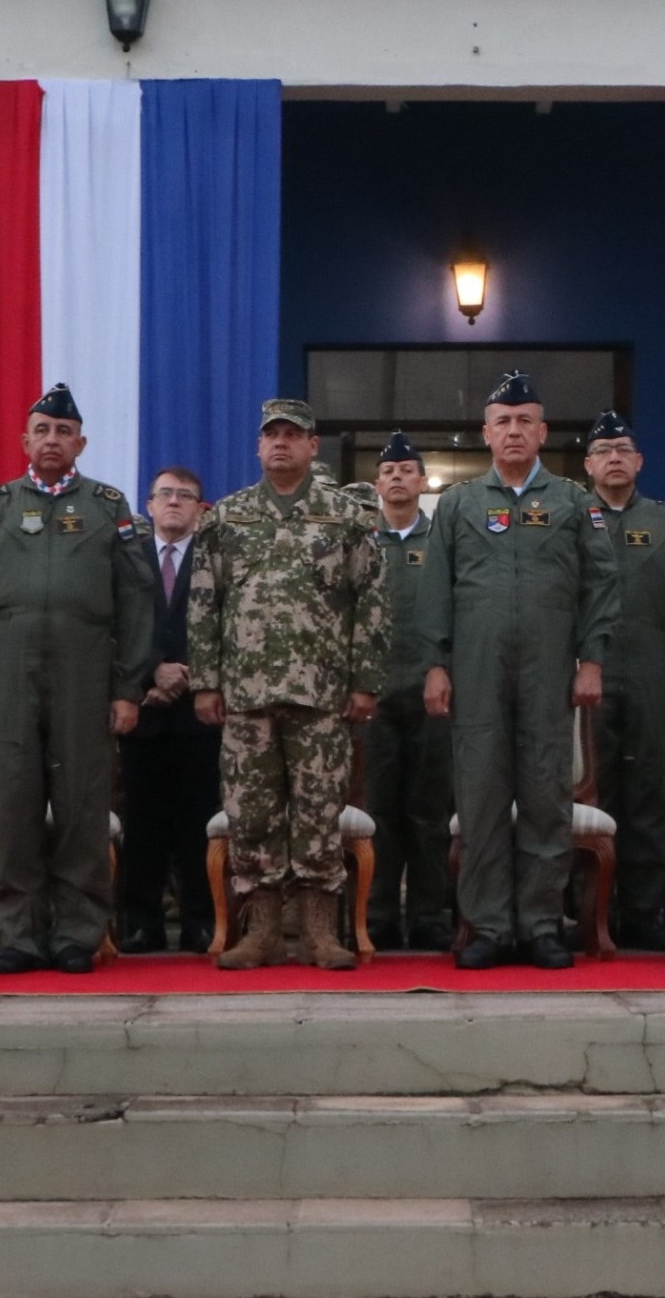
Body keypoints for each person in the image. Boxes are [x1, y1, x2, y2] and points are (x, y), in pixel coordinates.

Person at [418, 374, 619, 970]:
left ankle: (539, 925)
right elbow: (435, 590)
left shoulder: (573, 501)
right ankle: (487, 927)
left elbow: (601, 583)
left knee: (544, 797)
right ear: (485, 433)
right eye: (502, 421)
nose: (513, 431)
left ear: (542, 432)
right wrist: (435, 664)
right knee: (480, 801)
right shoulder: (457, 504)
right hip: (476, 668)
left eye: (524, 420)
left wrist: (592, 659)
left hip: (548, 671)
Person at [0, 384, 155, 975]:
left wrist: (127, 688)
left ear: (80, 442)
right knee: (16, 807)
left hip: (85, 674)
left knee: (82, 808)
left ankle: (76, 934)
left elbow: (137, 604)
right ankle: (17, 934)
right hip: (11, 674)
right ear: (25, 440)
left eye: (63, 432)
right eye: (41, 430)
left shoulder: (107, 507)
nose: (51, 440)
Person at [189, 398, 386, 971]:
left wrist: (364, 681)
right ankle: (264, 931)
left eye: (292, 435)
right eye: (271, 434)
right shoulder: (226, 517)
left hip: (322, 694)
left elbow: (371, 602)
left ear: (311, 446)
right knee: (250, 813)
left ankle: (321, 931)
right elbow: (204, 605)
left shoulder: (345, 515)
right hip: (246, 693)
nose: (280, 443)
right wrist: (206, 682)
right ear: (258, 447)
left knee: (318, 810)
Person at [582, 411, 665, 952]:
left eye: (623, 449)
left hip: (650, 670)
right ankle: (588, 912)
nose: (614, 458)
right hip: (588, 676)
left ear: (640, 460)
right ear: (588, 464)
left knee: (651, 793)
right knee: (589, 793)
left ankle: (645, 913)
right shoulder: (571, 516)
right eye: (604, 450)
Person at [119, 464, 222, 955]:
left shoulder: (215, 559)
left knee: (199, 823)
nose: (175, 502)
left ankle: (201, 921)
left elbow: (229, 626)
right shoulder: (129, 559)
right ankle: (141, 923)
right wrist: (151, 673)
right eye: (166, 494)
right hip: (141, 711)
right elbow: (114, 625)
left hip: (199, 713)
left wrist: (186, 677)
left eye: (186, 495)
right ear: (150, 505)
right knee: (142, 826)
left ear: (201, 511)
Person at [362, 433, 455, 953]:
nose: (397, 477)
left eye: (406, 470)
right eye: (389, 470)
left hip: (430, 693)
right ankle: (377, 913)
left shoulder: (440, 541)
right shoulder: (361, 541)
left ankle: (427, 914)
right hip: (376, 693)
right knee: (380, 812)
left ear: (423, 482)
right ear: (377, 485)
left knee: (428, 812)